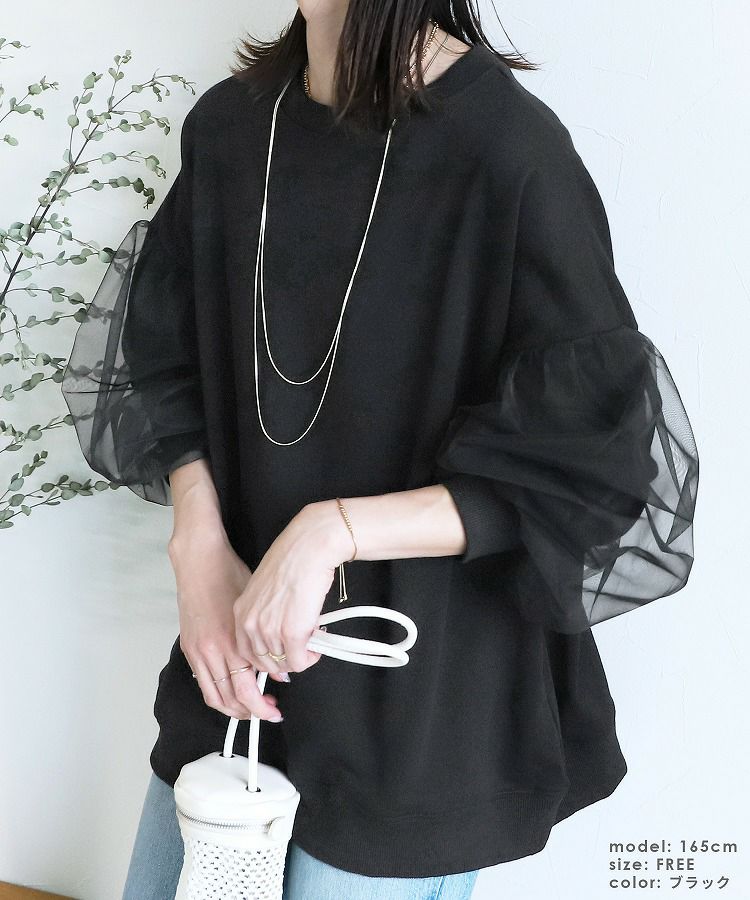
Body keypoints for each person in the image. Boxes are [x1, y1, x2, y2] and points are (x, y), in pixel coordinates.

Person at [61, 2, 699, 898]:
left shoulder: (508, 153)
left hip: (419, 710)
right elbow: (165, 353)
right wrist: (195, 544)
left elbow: (594, 463)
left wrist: (331, 532)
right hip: (238, 671)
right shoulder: (233, 128)